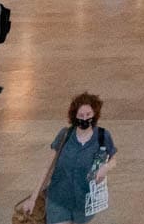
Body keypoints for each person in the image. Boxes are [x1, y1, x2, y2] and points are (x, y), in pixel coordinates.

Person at [20, 93, 116, 224]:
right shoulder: (65, 135)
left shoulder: (102, 136)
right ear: (74, 116)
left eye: (88, 115)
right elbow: (48, 168)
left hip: (84, 203)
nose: (85, 118)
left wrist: (106, 167)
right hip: (58, 199)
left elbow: (113, 159)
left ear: (95, 114)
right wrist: (33, 198)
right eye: (81, 115)